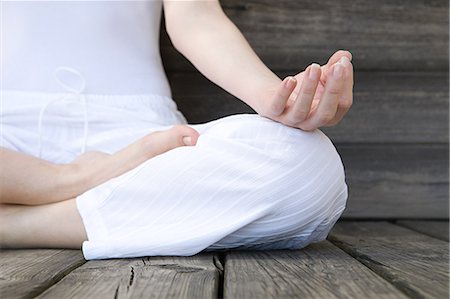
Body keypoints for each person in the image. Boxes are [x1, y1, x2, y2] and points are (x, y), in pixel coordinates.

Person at [0, 0, 353, 259]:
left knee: (308, 164)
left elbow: (196, 17)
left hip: (135, 136)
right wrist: (72, 177)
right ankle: (66, 183)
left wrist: (276, 98)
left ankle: (14, 224)